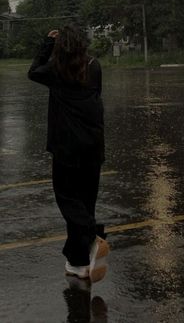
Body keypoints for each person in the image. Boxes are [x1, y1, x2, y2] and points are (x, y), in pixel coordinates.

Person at [28, 23, 110, 282]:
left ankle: (93, 233)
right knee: (85, 202)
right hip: (93, 145)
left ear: (61, 47)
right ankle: (78, 263)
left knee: (68, 200)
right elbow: (94, 94)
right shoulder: (94, 66)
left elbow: (33, 72)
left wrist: (47, 44)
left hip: (67, 147)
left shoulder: (55, 70)